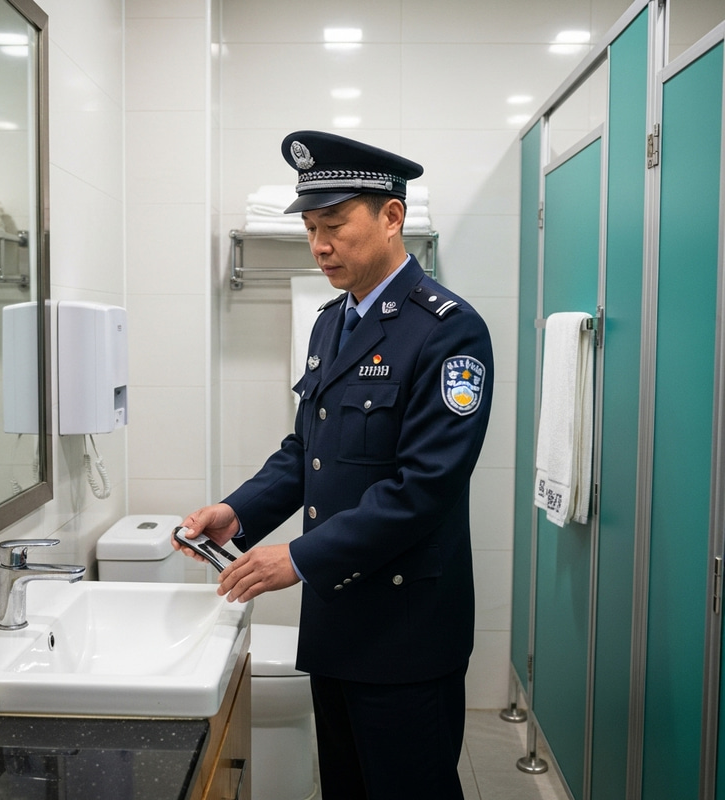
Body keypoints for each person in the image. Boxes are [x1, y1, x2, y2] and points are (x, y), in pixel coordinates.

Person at [172, 130, 494, 800]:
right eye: (311, 228)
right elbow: (308, 450)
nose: (319, 246)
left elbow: (424, 488)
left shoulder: (447, 330)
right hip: (337, 620)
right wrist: (239, 512)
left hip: (406, 632)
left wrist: (298, 557)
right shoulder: (331, 322)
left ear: (392, 217)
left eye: (335, 225)